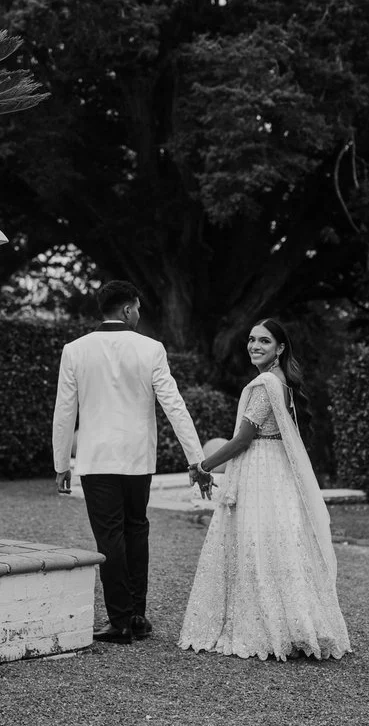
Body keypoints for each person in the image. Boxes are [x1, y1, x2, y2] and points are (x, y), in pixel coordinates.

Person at [179, 318, 351, 661]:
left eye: (264, 341)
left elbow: (243, 439)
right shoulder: (282, 382)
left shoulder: (264, 385)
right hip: (276, 469)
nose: (254, 346)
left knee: (257, 544)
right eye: (251, 340)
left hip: (261, 470)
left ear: (280, 348)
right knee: (280, 545)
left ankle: (266, 628)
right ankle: (294, 626)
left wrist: (203, 466)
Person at [53, 280, 211, 644]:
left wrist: (62, 462)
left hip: (96, 460)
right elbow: (174, 405)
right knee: (137, 530)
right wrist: (196, 460)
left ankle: (120, 619)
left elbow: (65, 412)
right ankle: (136, 614)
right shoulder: (151, 349)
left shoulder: (75, 350)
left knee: (110, 536)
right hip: (139, 458)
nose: (140, 314)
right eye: (138, 308)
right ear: (126, 310)